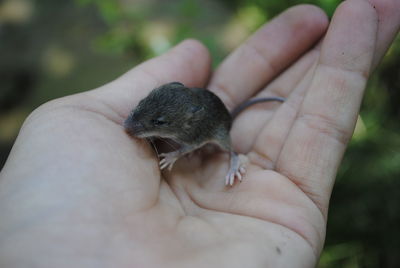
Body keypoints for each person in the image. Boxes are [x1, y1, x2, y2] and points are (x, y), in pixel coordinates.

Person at [0, 0, 399, 267]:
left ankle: (235, 159)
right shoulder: (170, 100)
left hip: (215, 124)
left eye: (153, 125)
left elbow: (192, 142)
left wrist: (176, 154)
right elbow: (152, 107)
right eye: (142, 115)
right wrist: (143, 122)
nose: (133, 127)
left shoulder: (196, 126)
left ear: (184, 120)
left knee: (223, 143)